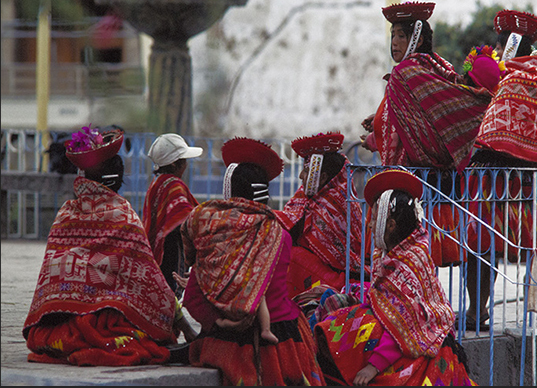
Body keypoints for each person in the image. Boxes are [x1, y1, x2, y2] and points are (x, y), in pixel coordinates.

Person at [22, 125, 195, 366]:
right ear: (117, 181)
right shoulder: (122, 215)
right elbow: (150, 279)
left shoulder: (65, 214)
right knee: (131, 334)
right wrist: (183, 324)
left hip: (56, 322)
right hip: (106, 317)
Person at [360, 1, 497, 268]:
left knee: (406, 255)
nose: (395, 42)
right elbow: (416, 116)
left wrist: (377, 129)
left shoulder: (404, 73)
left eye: (402, 35)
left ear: (418, 38)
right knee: (426, 256)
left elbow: (402, 125)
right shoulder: (438, 65)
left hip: (412, 179)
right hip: (442, 182)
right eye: (393, 35)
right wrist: (376, 121)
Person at [180, 137, 326, 386]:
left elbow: (193, 299)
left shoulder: (208, 230)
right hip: (284, 344)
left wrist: (219, 322)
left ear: (229, 193)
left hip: (225, 343)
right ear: (265, 195)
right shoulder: (280, 235)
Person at [313, 169, 475, 386]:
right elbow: (386, 301)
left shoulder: (410, 261)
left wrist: (373, 367)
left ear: (390, 225)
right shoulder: (390, 252)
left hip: (416, 337)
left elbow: (407, 323)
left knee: (346, 324)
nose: (370, 224)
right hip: (397, 329)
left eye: (375, 218)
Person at [463, 9, 537, 331]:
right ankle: (530, 312)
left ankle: (477, 310)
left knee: (480, 246)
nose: (498, 56)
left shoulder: (513, 81)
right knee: (503, 249)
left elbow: (491, 130)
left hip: (493, 178)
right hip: (524, 181)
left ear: (510, 46)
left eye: (501, 49)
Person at [274, 132, 369, 299]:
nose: (300, 176)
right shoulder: (307, 198)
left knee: (293, 255)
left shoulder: (332, 204)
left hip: (337, 281)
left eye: (305, 171)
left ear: (322, 177)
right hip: (322, 272)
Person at [143, 133, 203, 299]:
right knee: (172, 293)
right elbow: (184, 219)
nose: (186, 165)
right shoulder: (174, 185)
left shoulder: (157, 183)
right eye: (184, 161)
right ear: (176, 164)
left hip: (157, 251)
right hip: (171, 250)